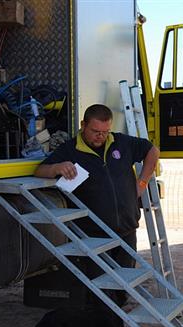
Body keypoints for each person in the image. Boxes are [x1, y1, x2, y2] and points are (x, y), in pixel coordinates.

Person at [35, 104, 159, 307]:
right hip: (94, 236)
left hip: (127, 230)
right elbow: (39, 171)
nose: (100, 137)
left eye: (104, 132)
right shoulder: (70, 149)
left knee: (123, 289)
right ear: (83, 125)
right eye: (95, 132)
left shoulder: (121, 142)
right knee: (100, 294)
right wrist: (58, 167)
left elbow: (152, 151)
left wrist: (142, 182)